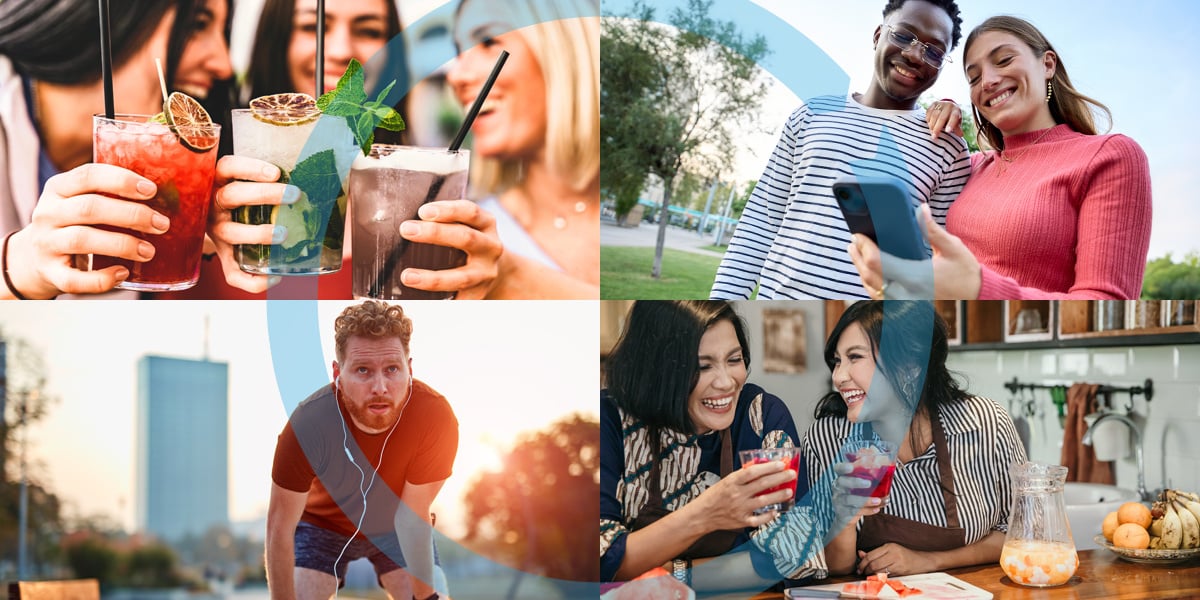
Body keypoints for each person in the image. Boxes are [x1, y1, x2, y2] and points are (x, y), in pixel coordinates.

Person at [174, 0, 502, 300]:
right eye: (312, 27)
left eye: (369, 30)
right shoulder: (203, 186)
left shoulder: (426, 193)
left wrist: (498, 281)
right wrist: (192, 227)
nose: (342, 50)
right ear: (276, 41)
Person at [850, 16, 1152, 300]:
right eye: (974, 77)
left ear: (1047, 64)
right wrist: (940, 108)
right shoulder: (970, 166)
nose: (988, 81)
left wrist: (978, 288)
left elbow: (1106, 300)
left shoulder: (1110, 156)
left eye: (1004, 60)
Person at [711, 0, 970, 300]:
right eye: (903, 36)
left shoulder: (947, 146)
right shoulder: (812, 113)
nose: (914, 54)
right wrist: (721, 308)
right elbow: (760, 225)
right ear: (877, 36)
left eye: (934, 51)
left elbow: (938, 261)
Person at [0, 0, 242, 299]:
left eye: (225, 31)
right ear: (116, 17)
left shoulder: (144, 167)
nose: (224, 64)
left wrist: (199, 227)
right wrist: (19, 263)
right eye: (197, 25)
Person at [600, 300, 827, 592]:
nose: (726, 382)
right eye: (702, 366)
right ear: (655, 369)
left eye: (734, 360)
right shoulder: (608, 421)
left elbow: (798, 558)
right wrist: (706, 513)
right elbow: (600, 561)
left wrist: (676, 573)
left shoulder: (760, 416)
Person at [804, 300, 1026, 576]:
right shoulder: (827, 440)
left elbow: (1026, 535)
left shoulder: (986, 423)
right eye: (837, 361)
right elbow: (829, 571)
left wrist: (927, 561)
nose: (838, 376)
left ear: (910, 367)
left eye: (855, 357)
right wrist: (844, 520)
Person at [267, 300, 458, 600]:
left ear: (409, 369)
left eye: (392, 369)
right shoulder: (308, 425)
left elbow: (412, 517)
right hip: (322, 525)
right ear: (337, 374)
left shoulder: (435, 416)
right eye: (363, 370)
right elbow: (279, 528)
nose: (380, 387)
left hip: (396, 527)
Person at [446, 0, 600, 298]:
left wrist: (514, 278)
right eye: (458, 51)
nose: (456, 76)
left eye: (488, 41)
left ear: (566, 50)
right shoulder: (469, 238)